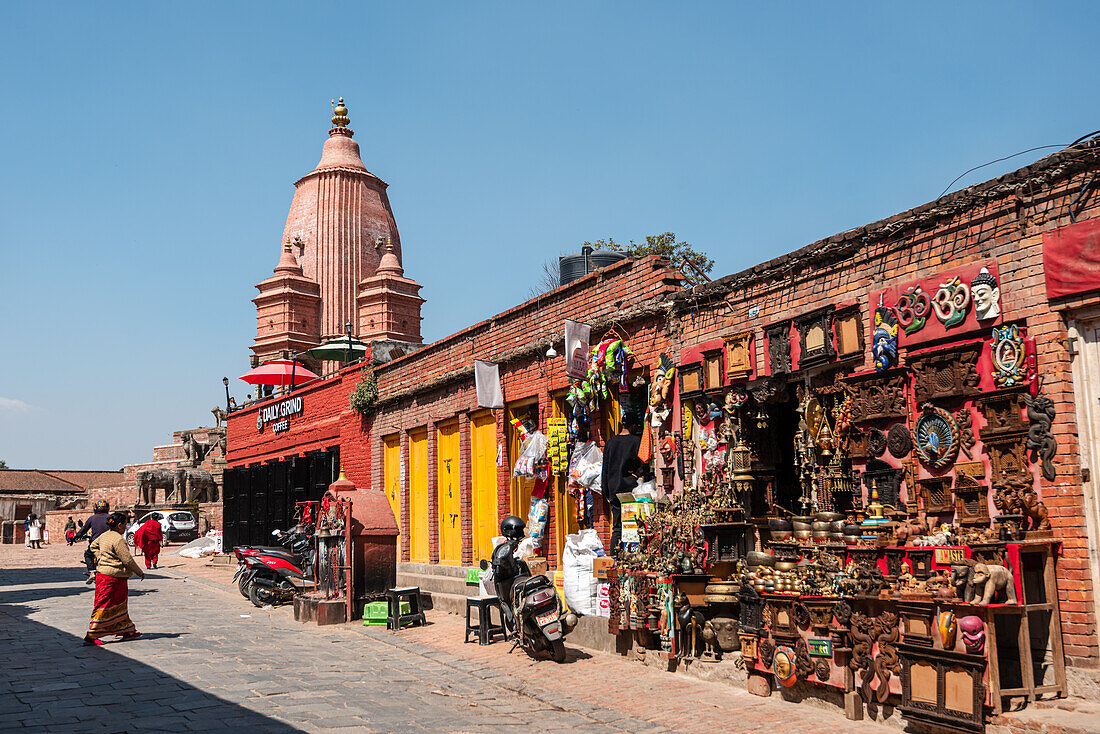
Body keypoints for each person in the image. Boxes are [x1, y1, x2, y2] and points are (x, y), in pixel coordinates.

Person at [83, 512, 144, 646]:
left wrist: (100, 557)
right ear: (120, 525)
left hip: (106, 576)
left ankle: (126, 630)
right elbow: (127, 559)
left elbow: (93, 546)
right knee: (104, 605)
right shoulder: (118, 539)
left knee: (119, 604)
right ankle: (92, 634)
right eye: (125, 524)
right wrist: (139, 572)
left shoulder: (104, 536)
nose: (126, 527)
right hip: (113, 577)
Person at [601, 409, 648, 556]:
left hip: (614, 490)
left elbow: (605, 470)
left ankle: (615, 558)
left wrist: (606, 491)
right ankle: (632, 556)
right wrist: (637, 475)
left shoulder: (610, 443)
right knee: (633, 525)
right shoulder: (636, 441)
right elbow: (644, 464)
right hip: (630, 490)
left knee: (617, 527)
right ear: (633, 426)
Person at [73, 501, 113, 585]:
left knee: (88, 554)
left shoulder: (92, 518)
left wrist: (76, 536)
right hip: (110, 542)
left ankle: (92, 572)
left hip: (96, 543)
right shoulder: (111, 517)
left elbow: (83, 530)